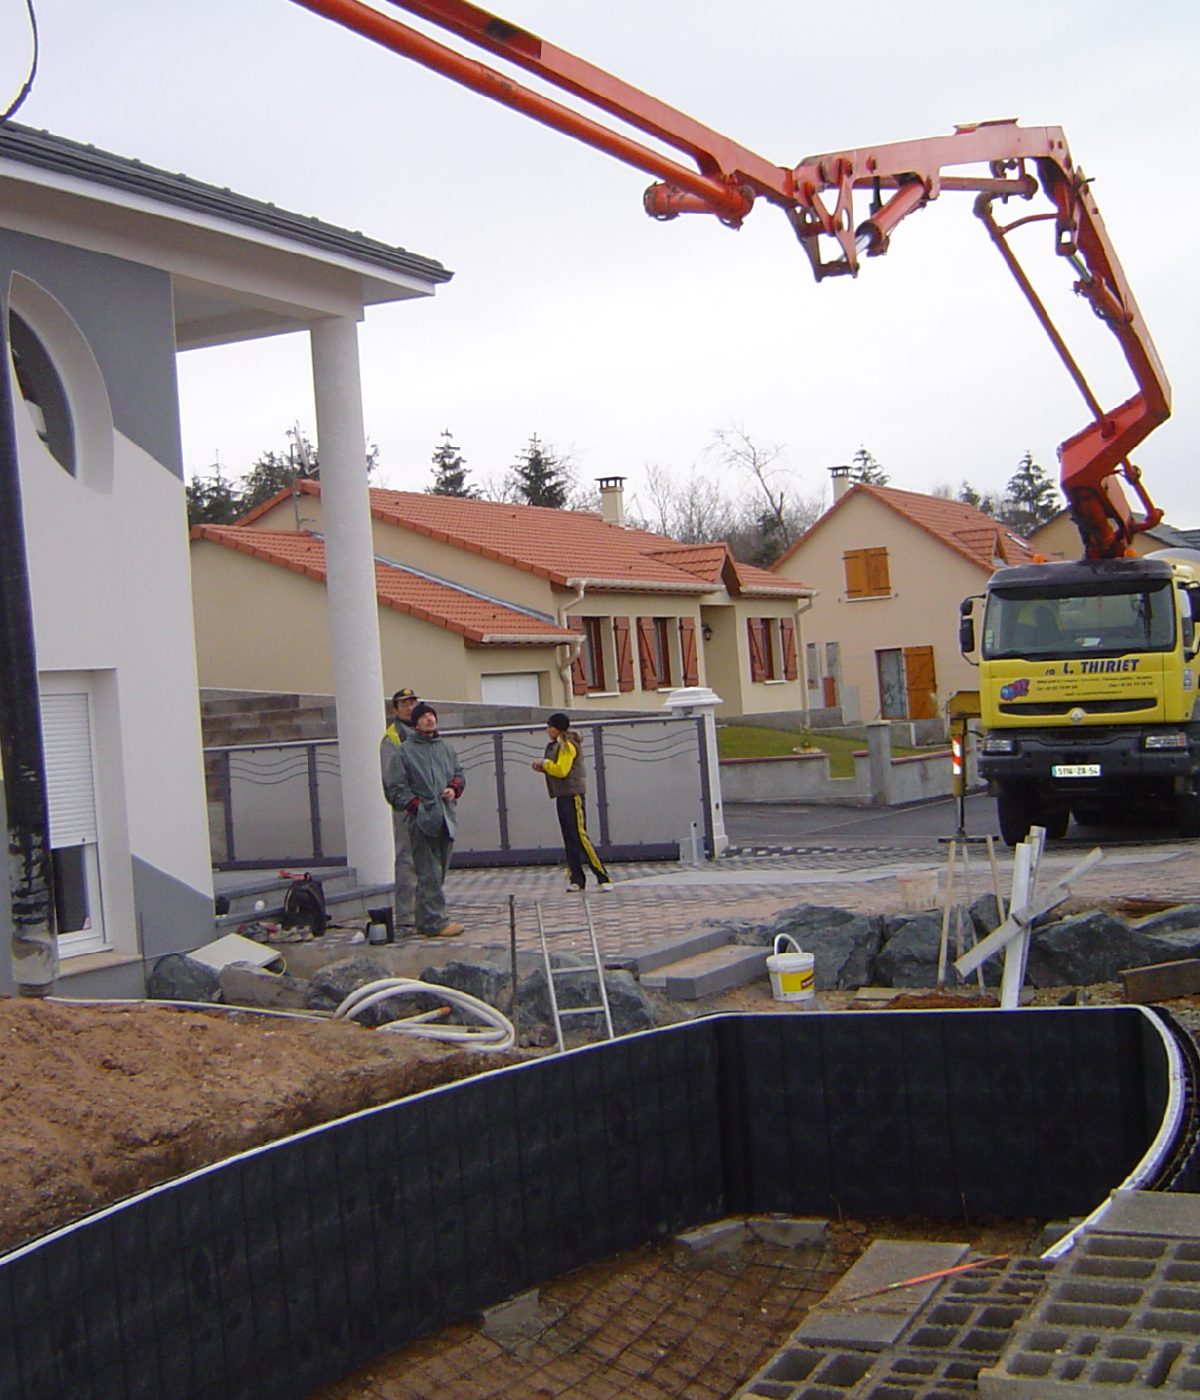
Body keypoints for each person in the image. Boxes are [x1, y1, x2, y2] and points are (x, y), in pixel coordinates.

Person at [384, 702, 466, 937]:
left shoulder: (446, 749)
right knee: (428, 872)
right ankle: (435, 922)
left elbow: (459, 774)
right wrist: (417, 807)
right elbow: (395, 788)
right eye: (424, 716)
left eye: (432, 715)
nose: (430, 719)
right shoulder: (405, 752)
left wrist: (453, 789)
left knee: (438, 872)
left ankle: (424, 918)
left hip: (446, 819)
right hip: (422, 822)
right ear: (416, 722)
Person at [532, 711, 613, 893]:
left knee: (579, 836)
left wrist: (545, 764)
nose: (547, 730)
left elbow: (562, 770)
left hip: (572, 795)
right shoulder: (556, 745)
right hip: (562, 795)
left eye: (550, 726)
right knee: (569, 838)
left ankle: (602, 875)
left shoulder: (567, 746)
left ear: (557, 729)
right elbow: (557, 770)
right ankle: (576, 878)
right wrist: (544, 769)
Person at [380, 687, 419, 937]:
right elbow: (391, 778)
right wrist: (409, 801)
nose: (409, 707)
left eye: (412, 702)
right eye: (404, 703)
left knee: (430, 861)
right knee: (407, 861)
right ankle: (406, 918)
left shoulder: (426, 732)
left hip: (430, 807)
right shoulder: (392, 738)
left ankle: (428, 914)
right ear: (395, 709)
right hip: (407, 808)